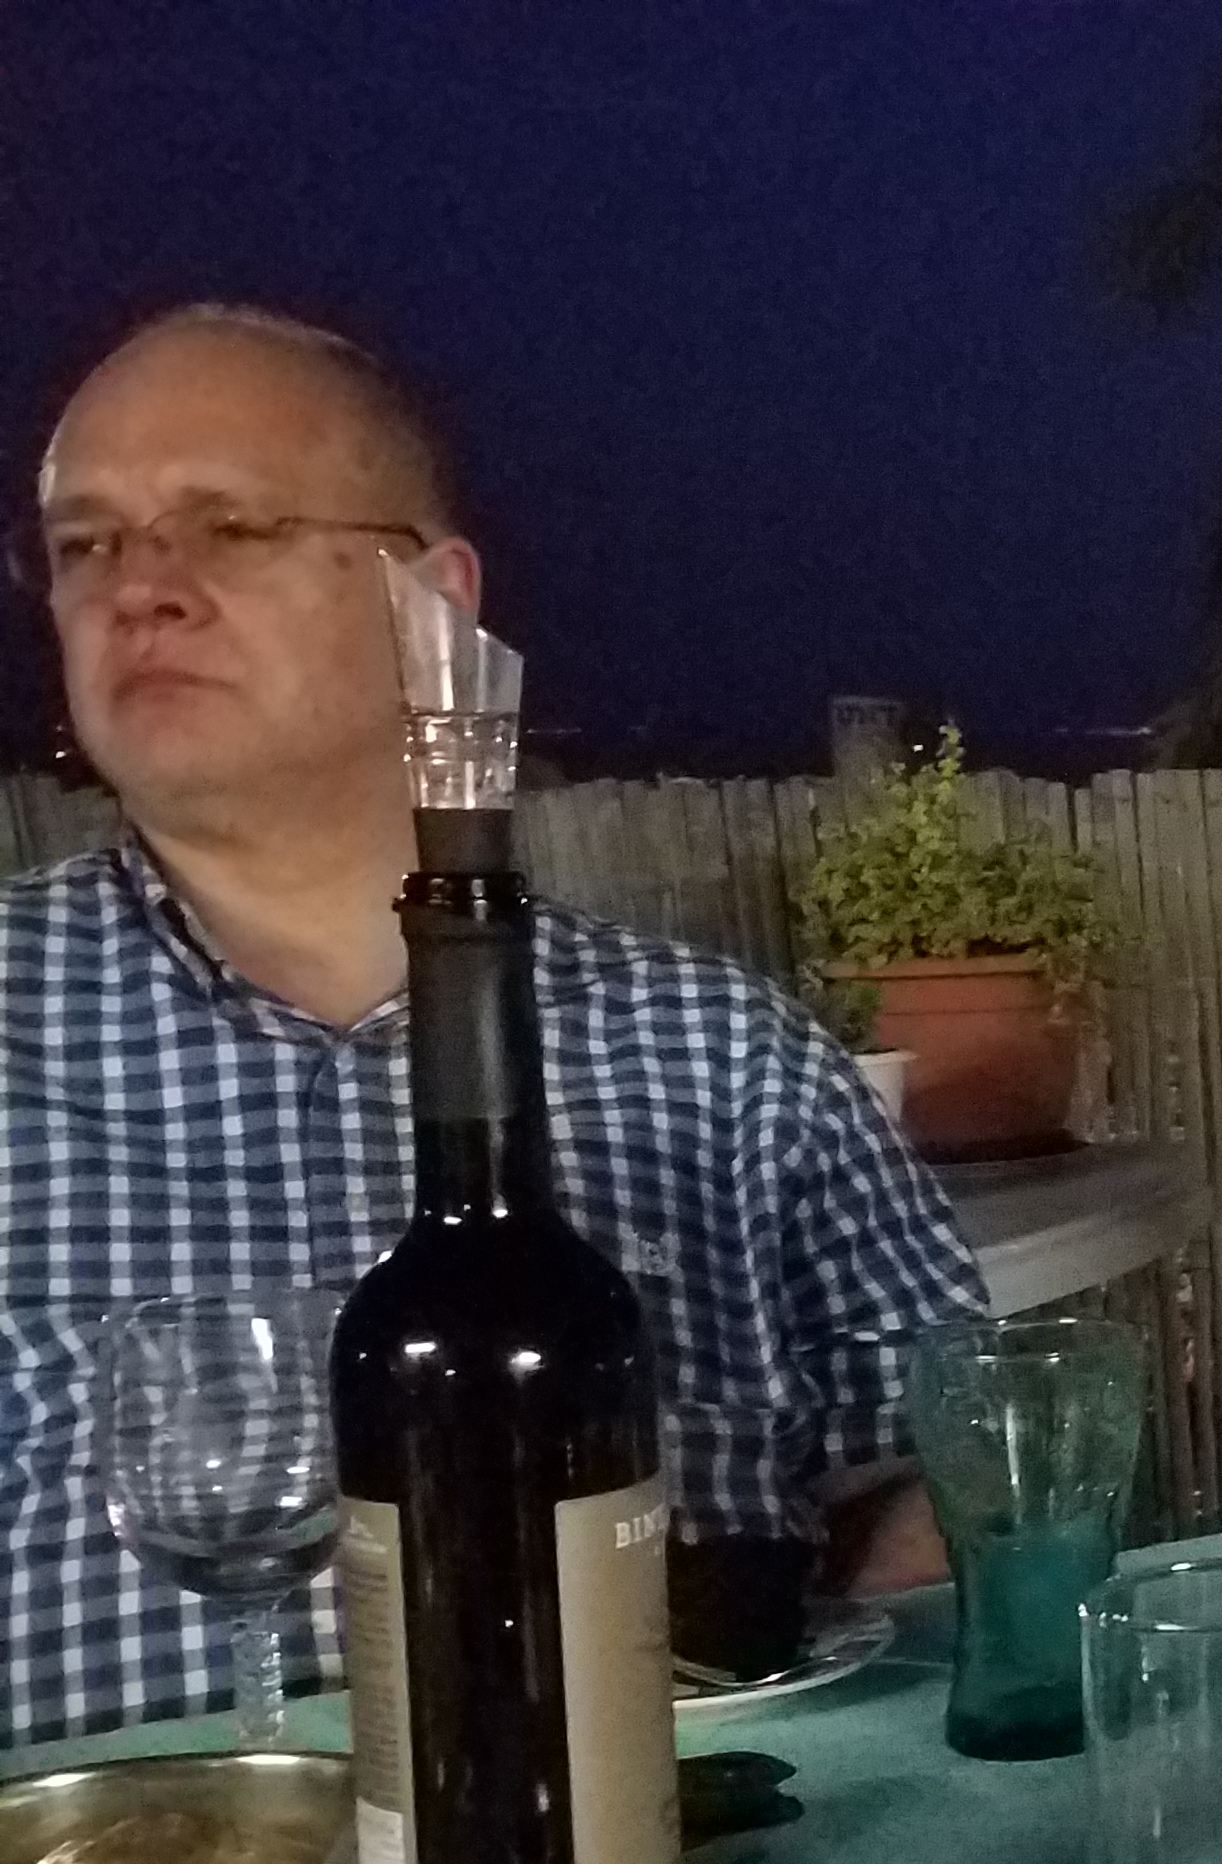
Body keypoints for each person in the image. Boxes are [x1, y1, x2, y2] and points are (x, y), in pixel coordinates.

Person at [0, 305, 984, 1749]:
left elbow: (958, 1458)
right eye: (86, 544)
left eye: (230, 527)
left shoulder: (723, 1061)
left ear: (435, 605)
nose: (140, 588)